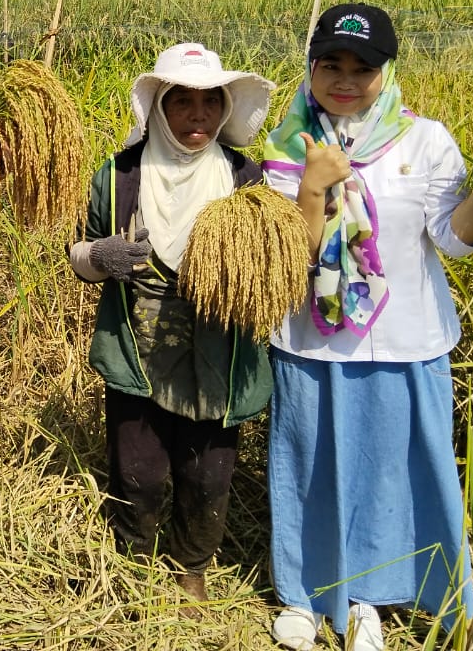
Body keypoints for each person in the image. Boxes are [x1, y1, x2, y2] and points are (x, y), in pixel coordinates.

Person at [263, 3, 473, 651]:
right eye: (330, 64)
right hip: (311, 342)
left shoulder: (425, 140)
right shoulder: (288, 141)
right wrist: (313, 188)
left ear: (386, 70)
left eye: (361, 67)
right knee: (309, 468)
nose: (344, 79)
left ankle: (368, 596)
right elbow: (288, 255)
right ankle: (305, 599)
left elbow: (454, 239)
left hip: (405, 341)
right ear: (311, 67)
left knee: (387, 473)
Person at [68, 43, 276, 607]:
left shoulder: (246, 183)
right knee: (139, 468)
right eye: (183, 101)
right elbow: (76, 253)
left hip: (217, 354)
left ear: (226, 110)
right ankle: (133, 559)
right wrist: (99, 256)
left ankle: (192, 564)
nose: (198, 115)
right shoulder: (119, 177)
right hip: (137, 347)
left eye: (212, 103)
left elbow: (275, 265)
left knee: (207, 471)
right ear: (159, 108)